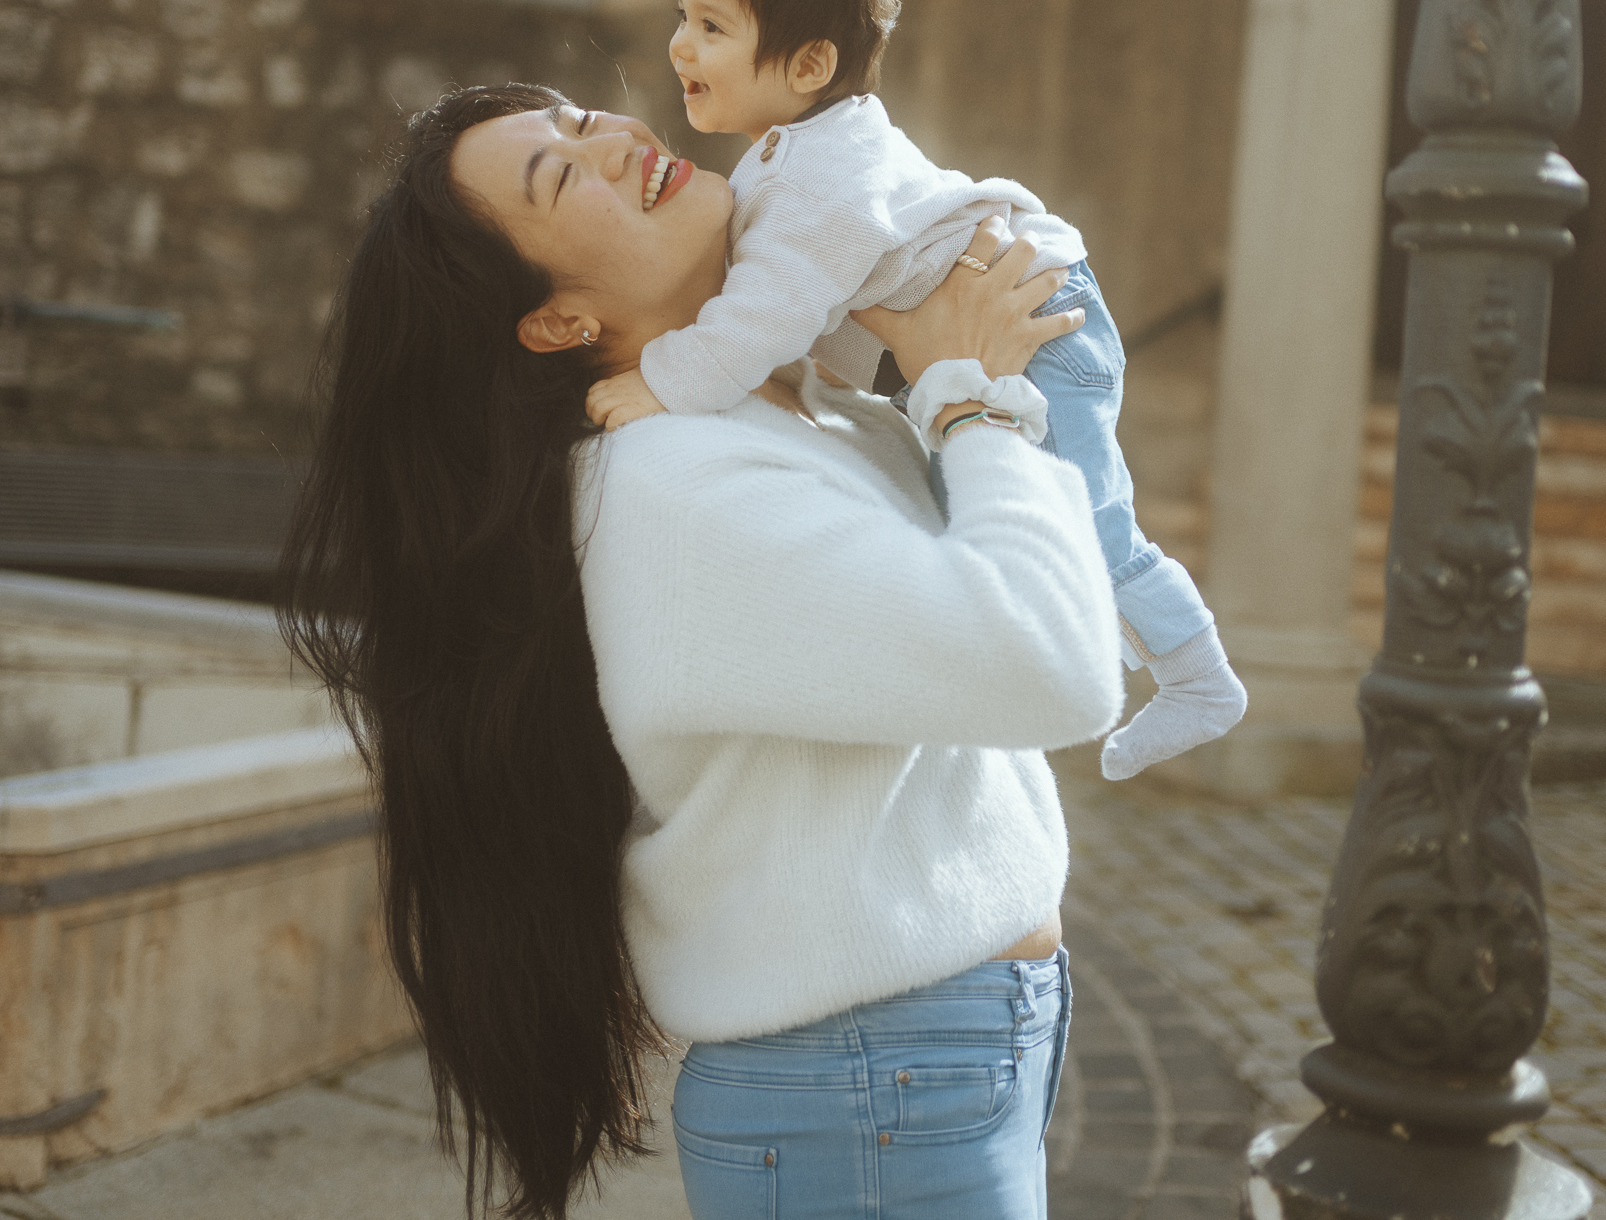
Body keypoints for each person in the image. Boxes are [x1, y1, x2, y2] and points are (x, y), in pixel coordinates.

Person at [278, 80, 1125, 1220]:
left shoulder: (789, 419)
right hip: (871, 1085)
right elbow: (1052, 662)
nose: (621, 140)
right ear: (555, 321)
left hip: (917, 1066)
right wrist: (974, 402)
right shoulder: (674, 484)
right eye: (561, 172)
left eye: (583, 120)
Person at [583, 0, 1244, 783]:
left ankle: (1200, 677)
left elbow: (760, 318)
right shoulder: (791, 154)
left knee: (1090, 528)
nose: (679, 46)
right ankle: (1141, 641)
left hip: (1043, 324)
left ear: (811, 62)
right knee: (1021, 518)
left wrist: (660, 380)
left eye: (711, 27)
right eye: (682, 17)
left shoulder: (818, 179)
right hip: (1010, 317)